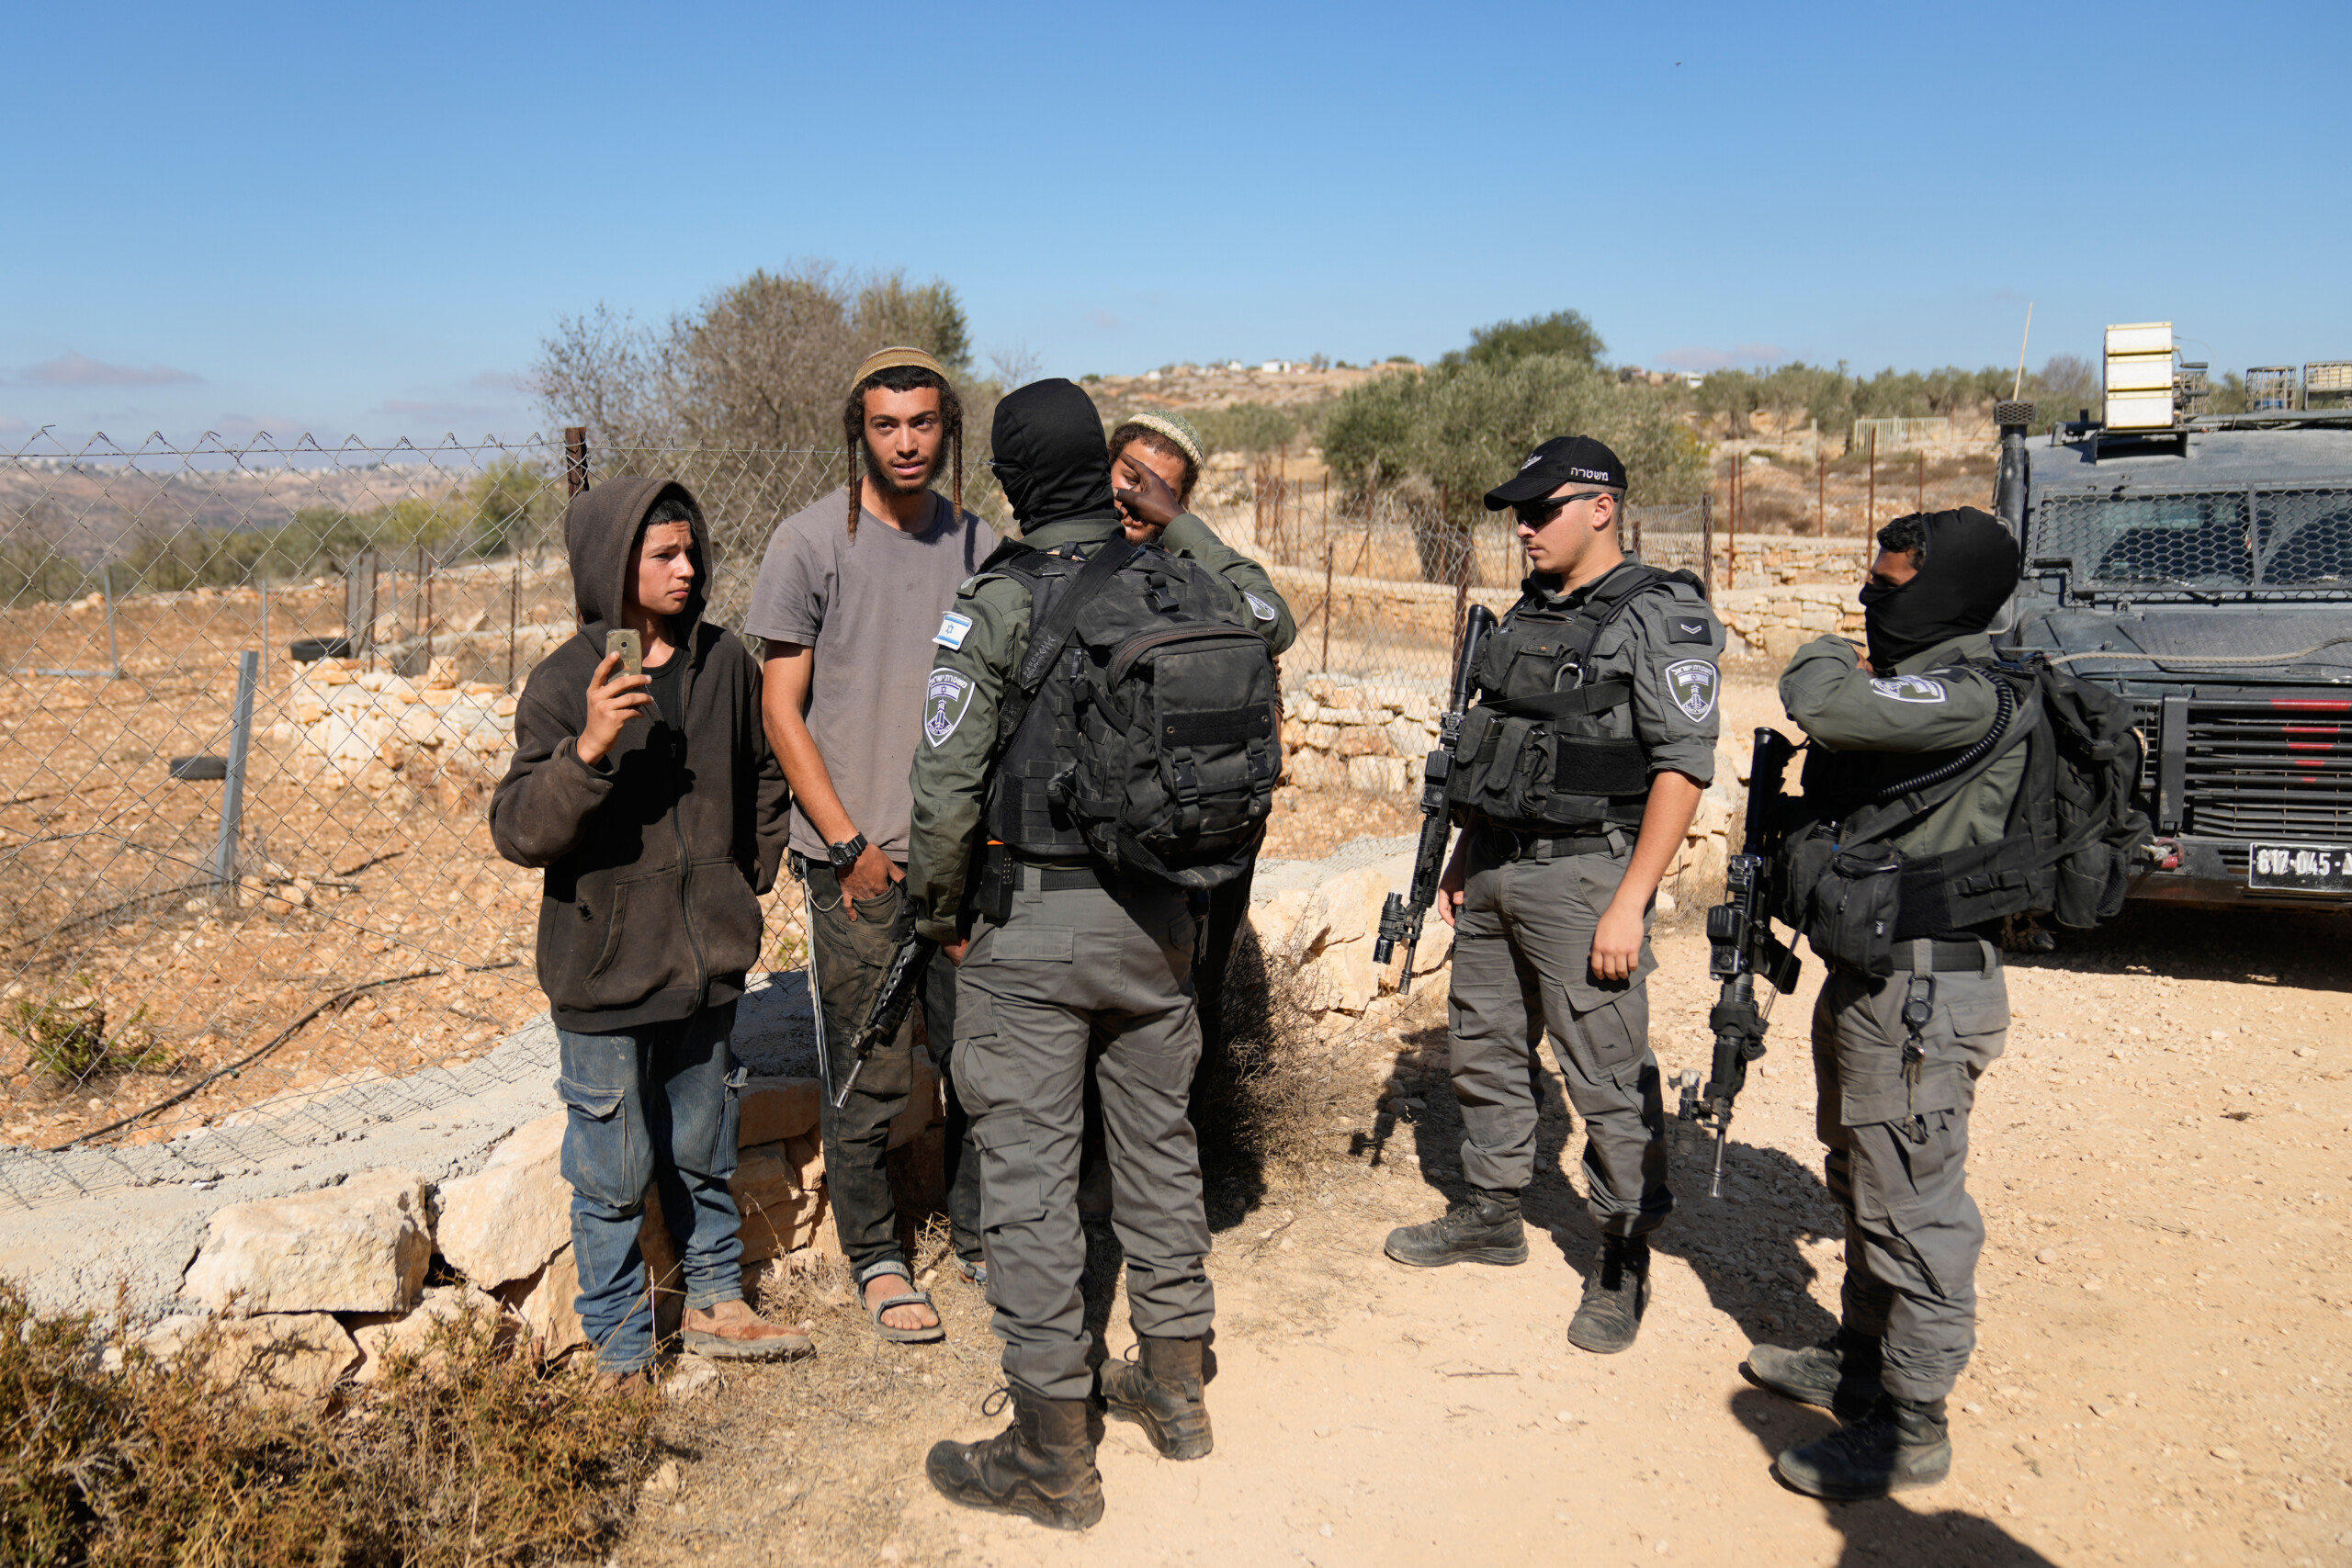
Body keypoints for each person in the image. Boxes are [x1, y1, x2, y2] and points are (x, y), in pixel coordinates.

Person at [911, 378, 1288, 1529]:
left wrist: (939, 914)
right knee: (1158, 1152)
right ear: (1110, 472)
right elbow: (1269, 623)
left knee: (1027, 1187)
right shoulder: (1182, 575)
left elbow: (941, 787)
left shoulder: (998, 599)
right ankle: (1175, 1393)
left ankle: (1050, 1460)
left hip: (1035, 923)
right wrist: (1173, 517)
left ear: (1014, 482)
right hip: (1163, 924)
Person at [1381, 435, 1723, 1357]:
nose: (1523, 528)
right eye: (1517, 514)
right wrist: (1458, 858)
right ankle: (1492, 1211)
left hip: (1586, 876)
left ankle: (1619, 1254)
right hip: (1494, 862)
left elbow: (1683, 769)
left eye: (1542, 511)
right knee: (1485, 1050)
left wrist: (1630, 900)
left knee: (1606, 1076)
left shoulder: (1659, 615)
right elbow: (1491, 745)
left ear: (1602, 506)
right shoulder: (1527, 614)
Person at [491, 477, 808, 1383]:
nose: (687, 567)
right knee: (612, 1173)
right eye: (662, 554)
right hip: (602, 977)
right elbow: (518, 830)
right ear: (611, 566)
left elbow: (761, 773)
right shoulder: (564, 683)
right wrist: (586, 749)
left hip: (705, 965)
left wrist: (750, 872)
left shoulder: (727, 663)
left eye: (690, 550)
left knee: (704, 1147)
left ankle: (715, 1301)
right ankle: (623, 1350)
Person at [1746, 508, 2022, 1499]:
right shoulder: (1922, 681)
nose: (1870, 597)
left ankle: (1913, 1422)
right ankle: (1859, 1364)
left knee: (1914, 1206)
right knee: (1862, 1176)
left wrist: (1822, 646)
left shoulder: (1965, 691)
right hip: (1875, 978)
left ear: (1944, 592)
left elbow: (1829, 705)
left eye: (1889, 583)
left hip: (1922, 992)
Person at [743, 345, 996, 1344]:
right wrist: (847, 844)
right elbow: (780, 706)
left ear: (948, 430)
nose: (905, 442)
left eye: (922, 423)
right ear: (860, 429)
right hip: (859, 862)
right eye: (886, 425)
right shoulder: (809, 542)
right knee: (868, 1067)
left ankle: (979, 1235)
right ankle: (877, 1255)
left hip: (965, 859)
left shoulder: (981, 546)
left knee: (980, 1059)